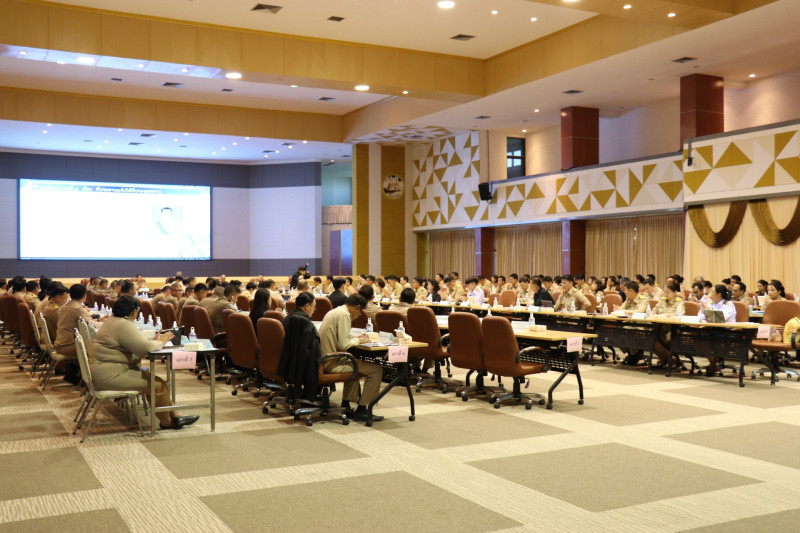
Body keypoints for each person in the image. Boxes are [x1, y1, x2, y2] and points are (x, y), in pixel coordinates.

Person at [90, 296, 198, 430]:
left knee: (153, 379)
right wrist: (161, 342)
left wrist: (154, 340)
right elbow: (143, 349)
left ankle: (175, 415)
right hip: (110, 375)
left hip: (105, 371)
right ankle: (167, 422)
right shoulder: (123, 324)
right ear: (133, 312)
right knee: (158, 385)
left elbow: (135, 343)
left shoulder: (112, 321)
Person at [319, 294, 384, 422]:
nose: (358, 316)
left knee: (354, 361)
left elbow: (341, 337)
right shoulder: (344, 315)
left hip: (323, 360)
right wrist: (360, 341)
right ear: (357, 308)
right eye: (359, 313)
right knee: (376, 369)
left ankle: (346, 404)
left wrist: (356, 338)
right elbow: (344, 344)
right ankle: (363, 410)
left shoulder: (335, 311)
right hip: (331, 363)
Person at [698, 284, 737, 374]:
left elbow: (721, 318)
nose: (710, 294)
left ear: (719, 294)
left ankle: (715, 362)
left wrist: (708, 309)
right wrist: (704, 309)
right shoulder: (711, 302)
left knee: (712, 337)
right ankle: (713, 361)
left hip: (726, 331)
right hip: (712, 329)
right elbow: (701, 316)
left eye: (712, 292)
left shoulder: (728, 304)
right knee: (699, 336)